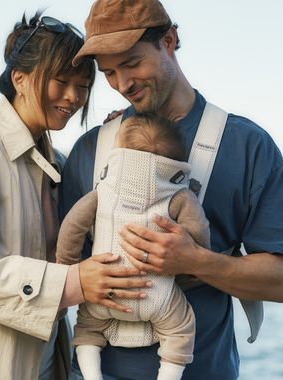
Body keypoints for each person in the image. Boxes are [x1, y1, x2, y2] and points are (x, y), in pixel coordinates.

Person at [0, 10, 151, 380]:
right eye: (61, 80)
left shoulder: (58, 163)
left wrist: (118, 143)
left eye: (83, 85)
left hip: (45, 362)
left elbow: (90, 243)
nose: (73, 97)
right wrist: (72, 284)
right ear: (19, 79)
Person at [60, 0, 283, 379]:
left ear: (169, 40)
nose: (122, 84)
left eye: (132, 64)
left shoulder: (247, 146)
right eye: (109, 73)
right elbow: (60, 266)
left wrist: (195, 261)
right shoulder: (90, 150)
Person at [57, 113, 211, 380]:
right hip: (158, 295)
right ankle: (169, 375)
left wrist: (67, 265)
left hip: (105, 290)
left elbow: (72, 226)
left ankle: (92, 375)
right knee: (180, 329)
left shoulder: (102, 191)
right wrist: (197, 257)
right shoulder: (178, 195)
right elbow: (199, 231)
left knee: (87, 328)